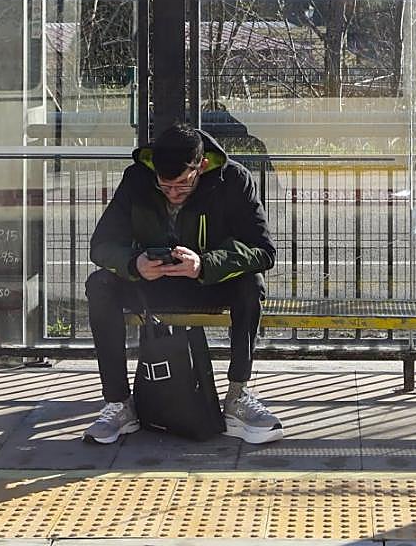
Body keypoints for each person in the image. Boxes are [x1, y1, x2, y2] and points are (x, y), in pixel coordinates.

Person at [84, 121, 282, 445]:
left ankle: (237, 395)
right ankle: (119, 404)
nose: (173, 195)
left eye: (182, 186)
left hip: (207, 281)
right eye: (165, 187)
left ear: (201, 166)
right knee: (99, 285)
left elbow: (263, 250)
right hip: (150, 281)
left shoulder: (233, 180)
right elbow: (101, 245)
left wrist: (204, 264)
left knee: (251, 285)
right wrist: (134, 263)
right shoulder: (136, 179)